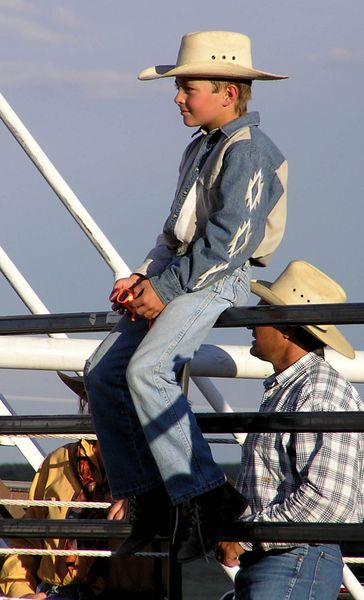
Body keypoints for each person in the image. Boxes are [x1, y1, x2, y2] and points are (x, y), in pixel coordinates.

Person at [84, 30, 288, 564]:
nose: (178, 97)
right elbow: (176, 232)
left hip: (221, 276)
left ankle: (208, 498)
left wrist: (162, 287)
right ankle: (150, 501)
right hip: (184, 272)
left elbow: (230, 244)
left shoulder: (249, 152)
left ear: (227, 92)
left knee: (147, 371)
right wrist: (143, 277)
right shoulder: (205, 146)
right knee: (102, 373)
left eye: (187, 87)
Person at [215, 260, 364, 600]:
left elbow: (330, 503)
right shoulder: (300, 388)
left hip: (293, 561)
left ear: (286, 327)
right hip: (287, 562)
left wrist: (245, 535)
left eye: (262, 311)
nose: (251, 321)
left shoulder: (319, 390)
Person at [0, 373, 166, 600]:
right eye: (103, 398)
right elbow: (26, 544)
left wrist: (138, 490)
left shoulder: (160, 470)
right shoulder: (59, 461)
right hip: (55, 593)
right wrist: (23, 595)